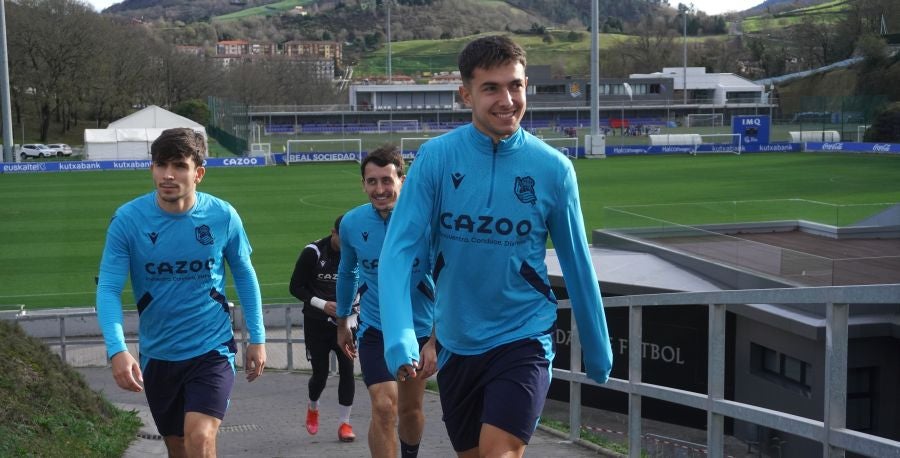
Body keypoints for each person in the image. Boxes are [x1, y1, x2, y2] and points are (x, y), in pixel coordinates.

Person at [377, 35, 614, 458]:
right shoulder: (436, 158)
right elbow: (399, 249)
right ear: (465, 93)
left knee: (498, 454)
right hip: (456, 342)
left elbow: (577, 263)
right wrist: (399, 333)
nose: (507, 99)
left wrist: (597, 344)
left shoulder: (554, 169)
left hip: (523, 335)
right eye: (491, 88)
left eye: (516, 85)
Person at [96, 127, 267, 457]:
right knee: (178, 448)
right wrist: (117, 349)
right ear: (152, 168)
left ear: (198, 173)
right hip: (159, 355)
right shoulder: (128, 220)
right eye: (161, 165)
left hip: (211, 348)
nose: (168, 175)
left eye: (179, 165)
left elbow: (245, 275)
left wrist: (257, 338)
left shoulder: (222, 216)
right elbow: (108, 288)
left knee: (200, 437)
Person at [335, 144, 436, 458]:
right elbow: (347, 271)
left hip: (418, 330)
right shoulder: (352, 223)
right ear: (363, 184)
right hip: (375, 329)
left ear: (402, 180)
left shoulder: (427, 221)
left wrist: (435, 338)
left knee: (409, 410)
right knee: (383, 406)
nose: (380, 189)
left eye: (387, 180)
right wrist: (342, 322)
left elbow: (448, 279)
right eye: (372, 181)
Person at [289, 214, 357, 442]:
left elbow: (365, 283)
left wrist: (351, 309)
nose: (346, 244)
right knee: (320, 374)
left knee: (348, 370)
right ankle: (313, 406)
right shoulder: (313, 252)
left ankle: (345, 424)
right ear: (333, 232)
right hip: (316, 322)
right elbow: (295, 287)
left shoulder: (356, 252)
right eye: (342, 238)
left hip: (346, 321)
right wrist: (322, 304)